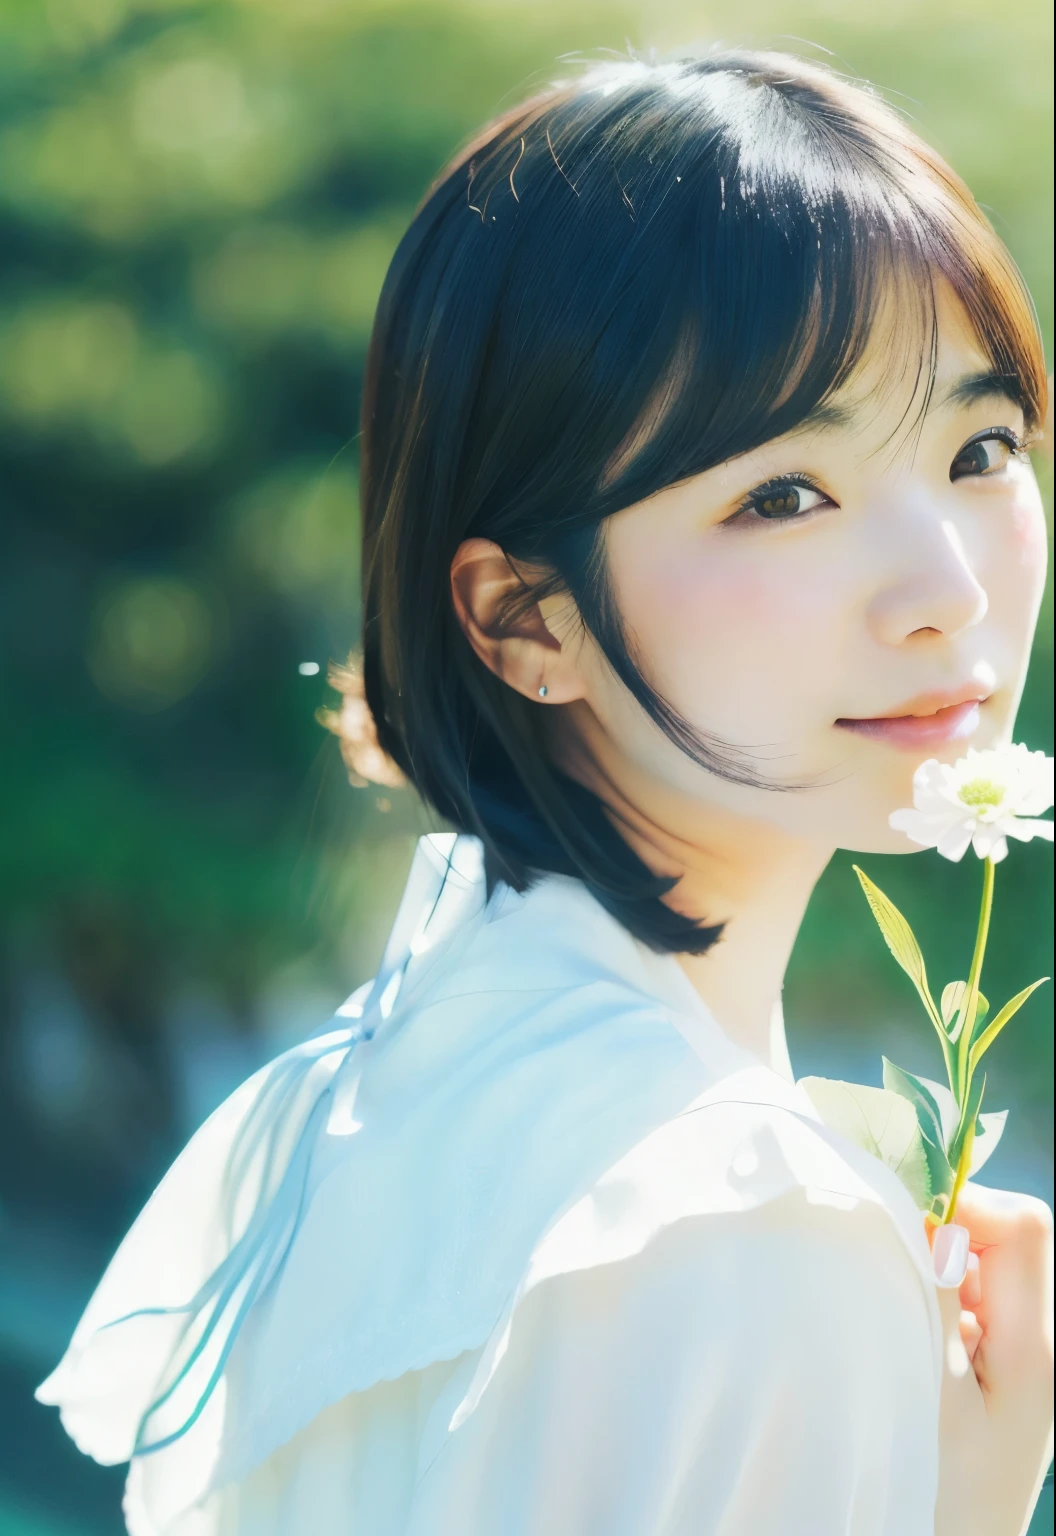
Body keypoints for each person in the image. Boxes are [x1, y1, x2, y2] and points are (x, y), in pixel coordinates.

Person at [37, 50, 1053, 1536]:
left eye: (980, 449)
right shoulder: (740, 1217)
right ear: (525, 618)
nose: (947, 591)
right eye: (783, 495)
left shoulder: (397, 1078)